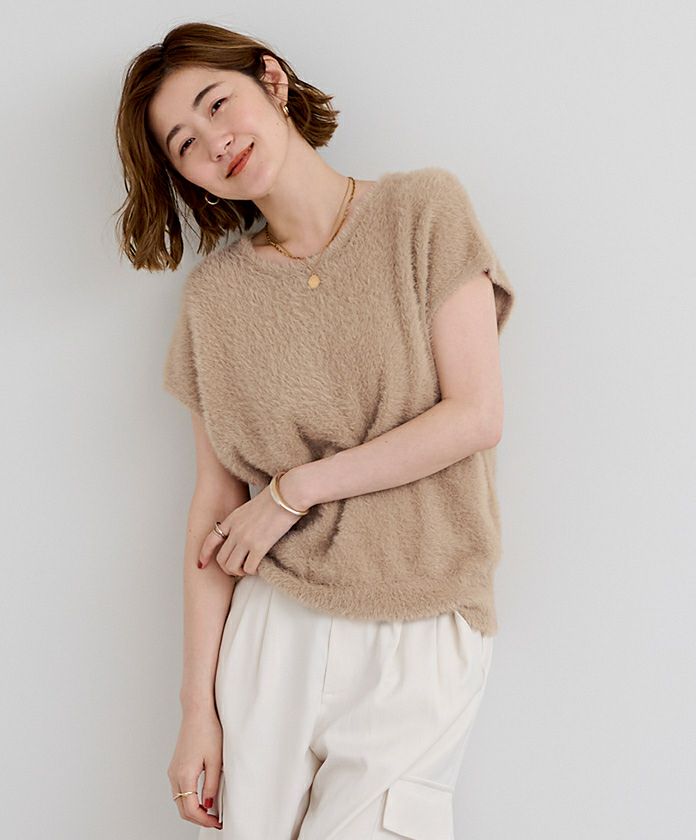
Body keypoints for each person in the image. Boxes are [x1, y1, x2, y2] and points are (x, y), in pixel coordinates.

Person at [115, 21, 515, 839]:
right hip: (277, 627)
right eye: (184, 144)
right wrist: (197, 711)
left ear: (272, 80)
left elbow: (475, 415)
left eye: (216, 104)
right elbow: (214, 506)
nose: (213, 143)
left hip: (421, 614)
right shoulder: (214, 300)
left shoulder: (423, 211)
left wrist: (293, 490)